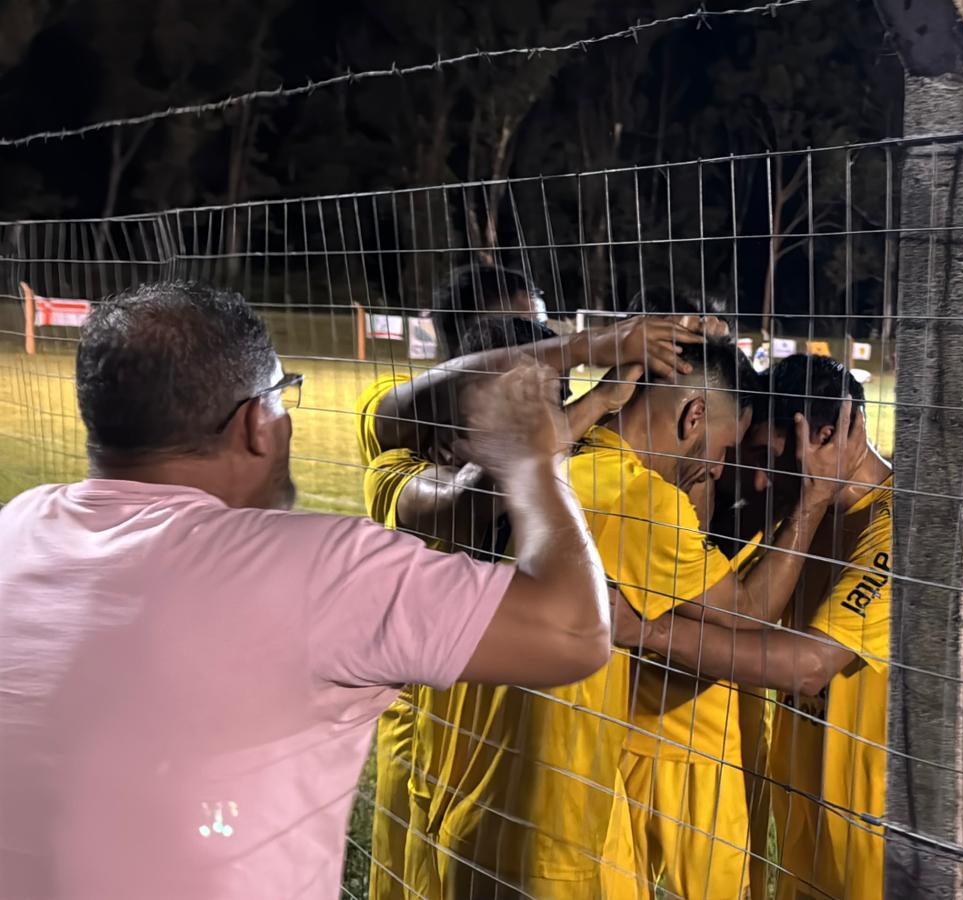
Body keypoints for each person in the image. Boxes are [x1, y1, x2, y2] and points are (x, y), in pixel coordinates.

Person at [0, 281, 615, 900]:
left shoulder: (17, 527)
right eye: (282, 394)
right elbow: (574, 634)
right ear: (255, 423)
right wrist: (535, 462)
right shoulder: (320, 567)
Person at [619, 355, 963, 900]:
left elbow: (807, 668)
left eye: (765, 455)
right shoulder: (805, 507)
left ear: (825, 436)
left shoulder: (901, 529)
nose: (754, 477)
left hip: (870, 827)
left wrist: (643, 631)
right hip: (803, 803)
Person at [360, 265, 706, 900]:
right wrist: (579, 363)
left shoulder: (585, 461)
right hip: (435, 741)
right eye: (525, 339)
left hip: (543, 776)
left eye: (544, 336)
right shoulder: (400, 454)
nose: (544, 350)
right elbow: (455, 498)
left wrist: (594, 405)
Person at [577, 339, 859, 900]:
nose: (718, 470)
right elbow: (749, 616)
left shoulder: (571, 449)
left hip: (601, 746)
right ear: (693, 414)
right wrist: (812, 503)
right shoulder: (644, 498)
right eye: (732, 449)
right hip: (660, 755)